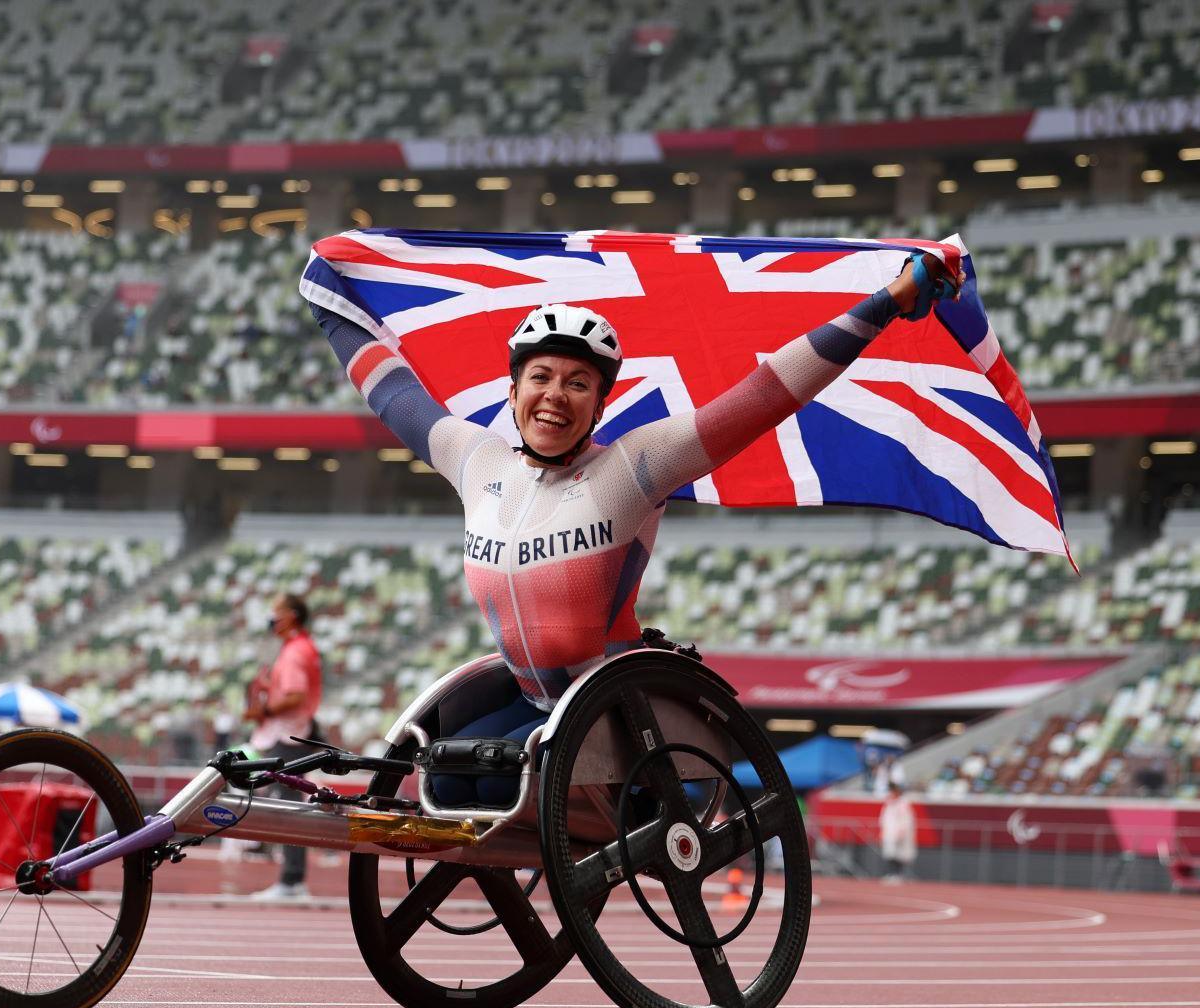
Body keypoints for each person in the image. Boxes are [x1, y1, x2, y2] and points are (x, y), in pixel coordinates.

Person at [305, 247, 960, 807]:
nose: (555, 395)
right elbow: (394, 396)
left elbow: (761, 397)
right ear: (513, 391)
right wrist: (325, 294)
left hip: (611, 714)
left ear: (600, 402)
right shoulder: (477, 461)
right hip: (529, 704)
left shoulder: (632, 467)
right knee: (443, 784)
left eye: (578, 383)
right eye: (540, 377)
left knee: (480, 777)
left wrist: (887, 302)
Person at [240, 593, 324, 900]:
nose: (271, 617)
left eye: (276, 611)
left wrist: (264, 710)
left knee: (288, 805)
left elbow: (295, 696)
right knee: (288, 801)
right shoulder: (302, 647)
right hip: (292, 733)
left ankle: (291, 880)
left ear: (290, 615)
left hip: (288, 735)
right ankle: (290, 878)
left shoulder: (294, 652)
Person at [878, 780, 917, 884]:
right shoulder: (889, 803)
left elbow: (906, 819)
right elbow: (884, 818)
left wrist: (902, 831)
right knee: (890, 854)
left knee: (899, 855)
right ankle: (891, 874)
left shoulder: (903, 804)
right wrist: (883, 830)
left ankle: (897, 874)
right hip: (889, 833)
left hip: (899, 834)